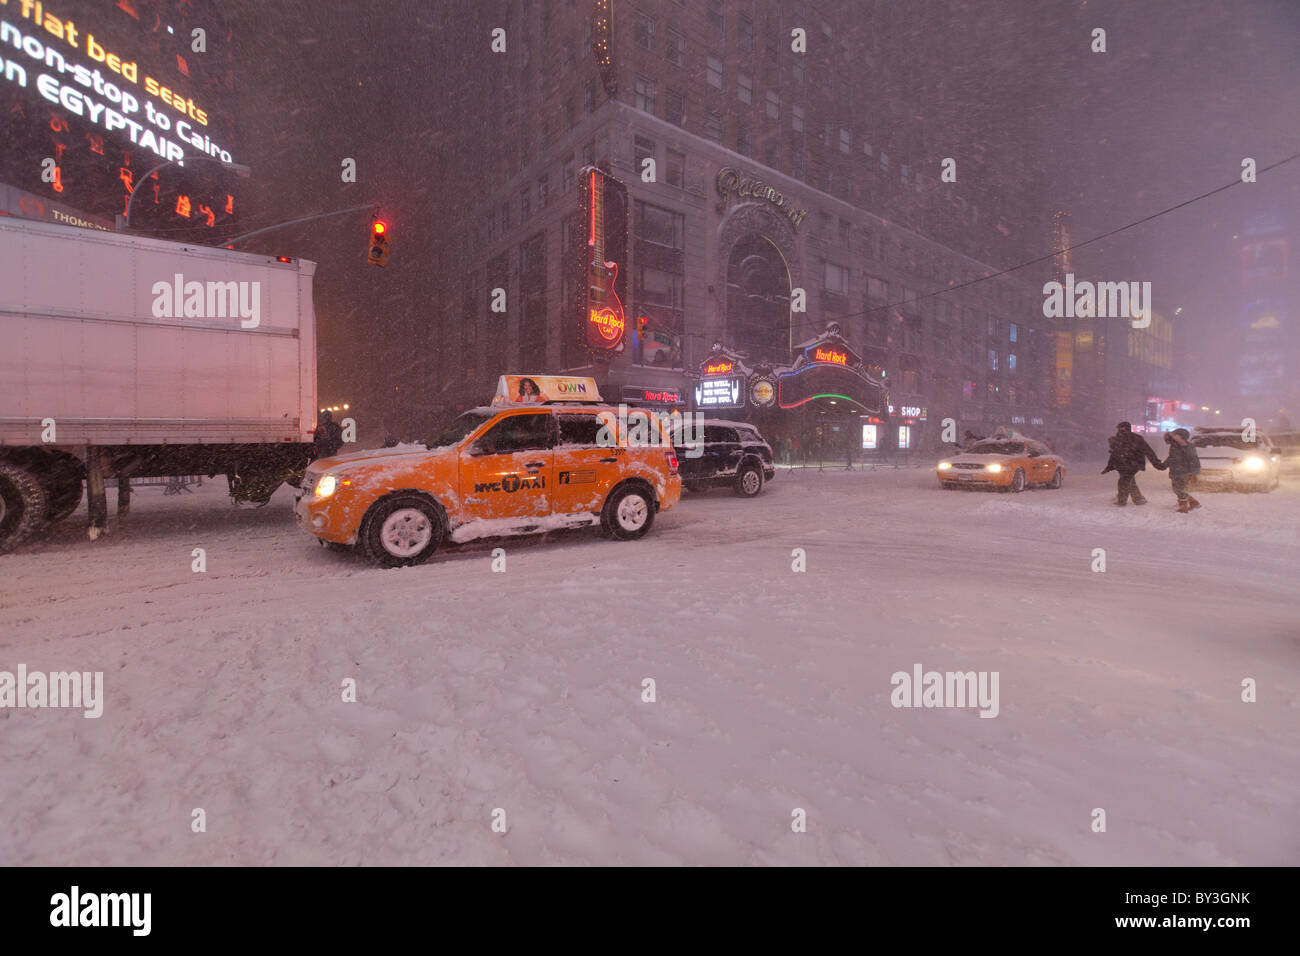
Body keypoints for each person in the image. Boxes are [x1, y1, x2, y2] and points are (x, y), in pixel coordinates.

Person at [1103, 421, 1163, 505]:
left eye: (1122, 428)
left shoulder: (1136, 438)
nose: (1120, 430)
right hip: (1123, 464)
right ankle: (1139, 499)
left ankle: (1122, 500)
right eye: (1119, 428)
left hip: (1133, 464)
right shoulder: (1119, 439)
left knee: (1123, 481)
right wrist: (1109, 466)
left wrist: (1156, 463)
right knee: (1130, 481)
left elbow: (1148, 451)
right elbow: (1114, 454)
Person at [1159, 428, 1202, 513]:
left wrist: (1194, 472)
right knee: (1177, 489)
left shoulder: (1187, 446)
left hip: (1184, 471)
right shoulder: (1174, 446)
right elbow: (1172, 457)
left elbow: (1193, 459)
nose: (1170, 441)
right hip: (1175, 471)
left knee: (1180, 489)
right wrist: (1164, 465)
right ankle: (1193, 502)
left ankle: (1183, 507)